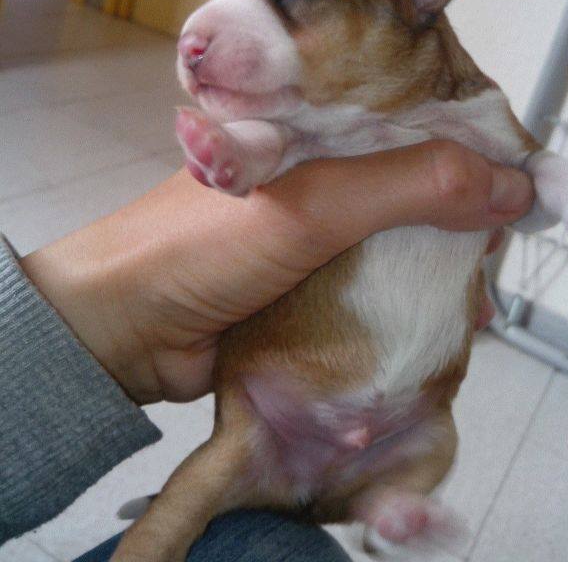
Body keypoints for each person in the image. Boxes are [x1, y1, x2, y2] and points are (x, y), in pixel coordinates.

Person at [0, 141, 533, 561]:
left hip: (395, 421)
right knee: (250, 532)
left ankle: (385, 495)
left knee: (428, 444)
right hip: (271, 411)